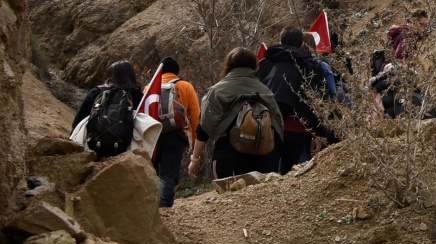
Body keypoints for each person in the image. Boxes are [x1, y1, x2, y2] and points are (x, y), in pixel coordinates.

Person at [191, 47, 284, 181]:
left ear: (228, 66)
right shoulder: (266, 91)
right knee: (260, 200)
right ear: (254, 65)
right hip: (264, 157)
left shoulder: (217, 91)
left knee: (230, 200)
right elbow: (278, 127)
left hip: (228, 157)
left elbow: (204, 128)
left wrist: (195, 159)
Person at [257, 26, 338, 173]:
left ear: (280, 41)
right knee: (292, 175)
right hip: (298, 129)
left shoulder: (265, 64)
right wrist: (319, 134)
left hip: (268, 127)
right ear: (302, 44)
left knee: (269, 176)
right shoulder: (310, 65)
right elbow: (319, 101)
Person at [151, 57, 200, 207]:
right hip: (176, 136)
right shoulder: (185, 86)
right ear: (177, 72)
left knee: (153, 172)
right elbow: (196, 116)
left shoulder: (149, 88)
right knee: (169, 172)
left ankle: (151, 203)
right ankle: (165, 204)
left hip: (154, 135)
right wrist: (194, 141)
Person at [73, 60, 142, 159]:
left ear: (111, 75)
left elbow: (79, 119)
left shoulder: (96, 92)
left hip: (94, 146)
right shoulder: (137, 95)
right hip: (125, 150)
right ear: (131, 75)